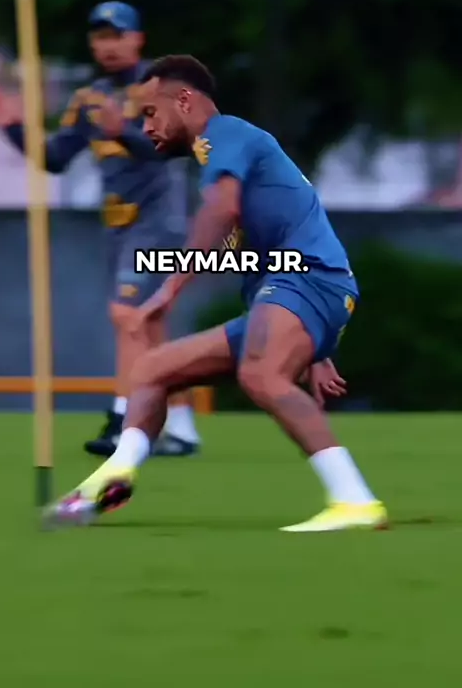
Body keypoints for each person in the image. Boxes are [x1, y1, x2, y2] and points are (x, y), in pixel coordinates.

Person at [45, 54, 388, 533]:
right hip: (299, 289)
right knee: (151, 370)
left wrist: (170, 288)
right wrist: (314, 345)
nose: (145, 128)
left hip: (307, 281)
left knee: (261, 374)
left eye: (150, 112)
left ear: (185, 100)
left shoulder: (223, 136)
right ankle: (113, 478)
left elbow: (220, 211)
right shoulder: (230, 153)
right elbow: (261, 242)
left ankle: (355, 501)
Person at [0, 10, 201, 458]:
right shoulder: (91, 98)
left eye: (117, 35)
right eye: (101, 37)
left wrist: (124, 134)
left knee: (127, 315)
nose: (109, 45)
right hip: (118, 226)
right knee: (147, 326)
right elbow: (56, 158)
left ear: (138, 38)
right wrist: (11, 125)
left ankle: (124, 421)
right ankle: (181, 429)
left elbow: (175, 148)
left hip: (157, 222)